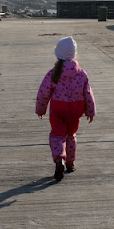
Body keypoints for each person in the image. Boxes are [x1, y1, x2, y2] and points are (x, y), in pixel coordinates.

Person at [36, 36, 96, 180]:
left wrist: (41, 109)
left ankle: (59, 160)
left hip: (58, 108)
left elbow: (44, 92)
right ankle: (70, 162)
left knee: (57, 135)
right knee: (71, 135)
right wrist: (90, 111)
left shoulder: (53, 73)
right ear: (74, 54)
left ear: (58, 54)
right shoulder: (81, 73)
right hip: (76, 109)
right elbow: (88, 93)